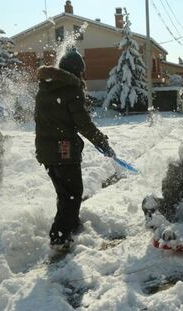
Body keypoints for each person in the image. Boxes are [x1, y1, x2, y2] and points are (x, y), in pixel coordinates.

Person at [34, 47, 116, 250]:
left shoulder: (45, 88)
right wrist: (102, 142)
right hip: (64, 148)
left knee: (64, 192)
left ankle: (71, 223)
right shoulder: (71, 89)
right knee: (72, 192)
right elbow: (83, 123)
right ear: (78, 70)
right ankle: (59, 236)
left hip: (46, 148)